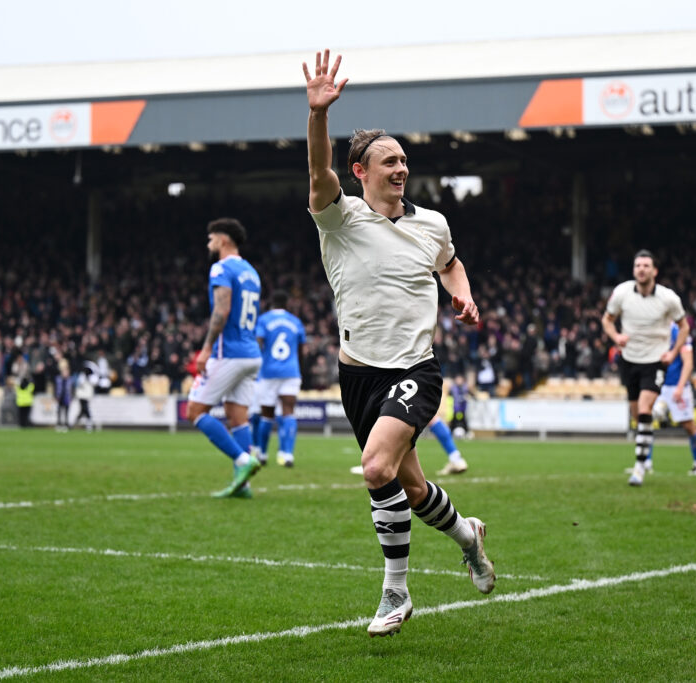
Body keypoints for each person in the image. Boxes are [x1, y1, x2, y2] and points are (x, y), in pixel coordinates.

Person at [304, 49, 494, 637]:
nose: (400, 168)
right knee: (408, 486)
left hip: (416, 367)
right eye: (389, 161)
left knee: (374, 465)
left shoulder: (431, 223)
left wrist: (462, 294)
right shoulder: (340, 219)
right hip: (357, 373)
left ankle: (395, 592)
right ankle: (468, 535)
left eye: (404, 160)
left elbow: (452, 263)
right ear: (360, 172)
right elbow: (317, 173)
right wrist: (318, 117)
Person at [185, 218, 264, 499]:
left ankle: (244, 462)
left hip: (228, 353)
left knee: (194, 411)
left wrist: (206, 349)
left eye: (211, 238)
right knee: (237, 417)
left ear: (223, 240)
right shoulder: (251, 272)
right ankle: (243, 485)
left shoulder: (221, 267)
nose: (209, 244)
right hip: (251, 355)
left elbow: (222, 310)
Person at [602, 250, 689, 487]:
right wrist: (616, 336)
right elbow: (607, 320)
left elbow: (684, 327)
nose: (641, 269)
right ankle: (659, 413)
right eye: (637, 265)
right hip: (629, 360)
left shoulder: (668, 298)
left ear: (654, 271)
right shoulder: (621, 293)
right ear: (633, 270)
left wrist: (672, 352)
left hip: (654, 360)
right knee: (637, 415)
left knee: (643, 408)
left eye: (646, 265)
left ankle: (640, 467)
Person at [249, 290, 307, 467]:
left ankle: (263, 454)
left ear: (271, 302)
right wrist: (299, 369)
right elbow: (301, 350)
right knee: (289, 411)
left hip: (269, 372)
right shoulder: (295, 321)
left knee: (267, 414)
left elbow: (258, 342)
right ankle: (287, 454)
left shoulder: (264, 320)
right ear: (287, 303)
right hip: (291, 371)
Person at [654, 320, 696, 475]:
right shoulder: (655, 329)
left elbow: (688, 363)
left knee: (688, 426)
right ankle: (645, 463)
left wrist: (681, 387)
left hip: (677, 386)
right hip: (659, 384)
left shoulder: (679, 331)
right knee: (647, 419)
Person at [54, 364, 73, 432]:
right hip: (60, 397)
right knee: (59, 412)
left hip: (66, 397)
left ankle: (66, 425)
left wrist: (71, 398)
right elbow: (55, 388)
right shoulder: (58, 379)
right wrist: (56, 396)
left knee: (66, 412)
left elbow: (72, 390)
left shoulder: (70, 380)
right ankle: (59, 424)